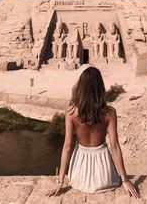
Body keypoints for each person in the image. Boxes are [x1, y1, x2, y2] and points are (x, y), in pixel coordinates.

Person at [48, 66, 140, 198]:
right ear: (100, 87)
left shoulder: (71, 112)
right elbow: (114, 146)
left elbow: (67, 146)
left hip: (79, 174)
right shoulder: (109, 112)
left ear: (81, 87)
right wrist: (125, 180)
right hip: (104, 173)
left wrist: (60, 181)